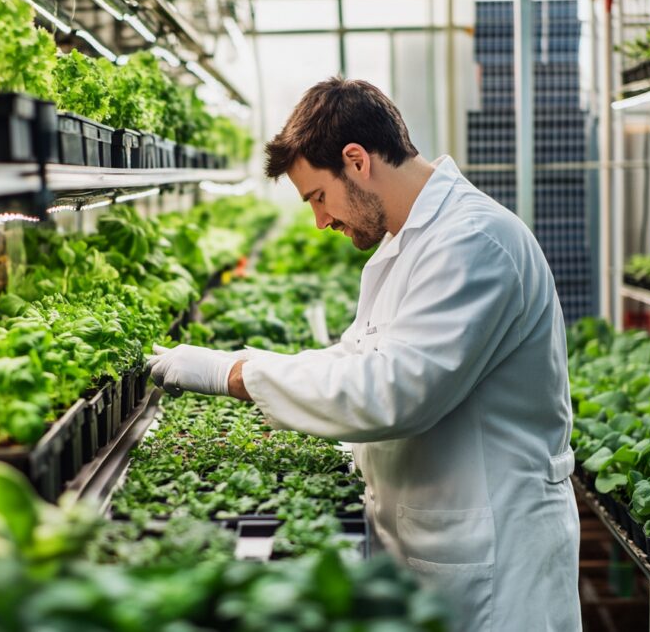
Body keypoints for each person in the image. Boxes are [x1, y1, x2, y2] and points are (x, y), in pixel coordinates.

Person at [148, 77, 582, 631]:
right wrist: (242, 359)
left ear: (356, 161)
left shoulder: (475, 242)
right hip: (434, 538)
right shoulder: (408, 241)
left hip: (495, 558)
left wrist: (235, 375)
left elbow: (394, 393)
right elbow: (354, 358)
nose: (321, 221)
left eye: (318, 197)